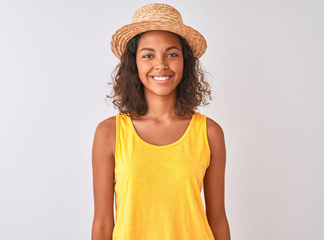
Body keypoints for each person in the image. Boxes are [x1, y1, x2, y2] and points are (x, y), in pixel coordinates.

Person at [91, 3, 230, 240]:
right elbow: (103, 224)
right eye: (148, 55)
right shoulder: (110, 133)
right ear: (134, 63)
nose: (161, 64)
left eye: (172, 54)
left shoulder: (209, 132)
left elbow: (217, 219)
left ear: (185, 61)